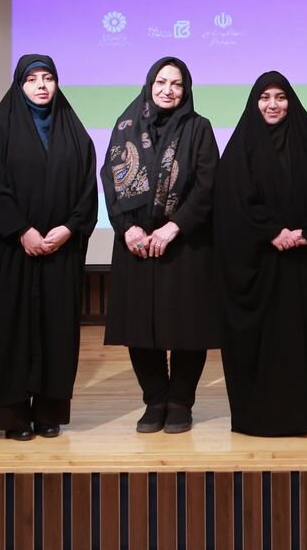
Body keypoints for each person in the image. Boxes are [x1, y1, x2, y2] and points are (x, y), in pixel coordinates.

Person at [215, 73, 307, 436]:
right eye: (264, 97)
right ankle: (256, 417)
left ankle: (304, 416)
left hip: (305, 266)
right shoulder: (240, 149)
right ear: (254, 102)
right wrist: (271, 231)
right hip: (261, 267)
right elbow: (232, 204)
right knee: (260, 344)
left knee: (305, 342)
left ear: (291, 101)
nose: (272, 104)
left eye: (280, 97)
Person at [0, 55, 97, 440]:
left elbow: (87, 190)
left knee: (55, 331)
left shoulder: (75, 131)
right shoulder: (0, 129)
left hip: (60, 251)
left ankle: (49, 412)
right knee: (12, 331)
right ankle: (13, 416)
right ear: (19, 85)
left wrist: (69, 228)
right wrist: (22, 230)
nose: (41, 86)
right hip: (13, 252)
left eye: (48, 78)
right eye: (32, 79)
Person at [101, 57, 220, 434]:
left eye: (177, 84)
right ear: (149, 85)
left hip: (184, 243)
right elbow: (110, 179)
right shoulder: (125, 127)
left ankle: (180, 401)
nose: (168, 90)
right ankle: (155, 400)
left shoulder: (199, 128)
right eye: (161, 82)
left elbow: (207, 185)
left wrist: (173, 227)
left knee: (188, 328)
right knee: (140, 327)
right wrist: (127, 229)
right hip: (135, 243)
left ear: (186, 90)